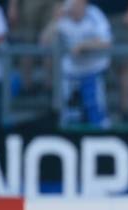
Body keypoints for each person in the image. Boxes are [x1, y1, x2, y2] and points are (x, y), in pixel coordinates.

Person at [41, 0, 112, 128]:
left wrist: (83, 45)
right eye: (73, 4)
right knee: (66, 111)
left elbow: (106, 42)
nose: (75, 7)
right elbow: (44, 42)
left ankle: (102, 138)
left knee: (95, 110)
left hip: (92, 70)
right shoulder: (63, 18)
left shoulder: (94, 15)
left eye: (78, 4)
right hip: (70, 72)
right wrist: (55, 20)